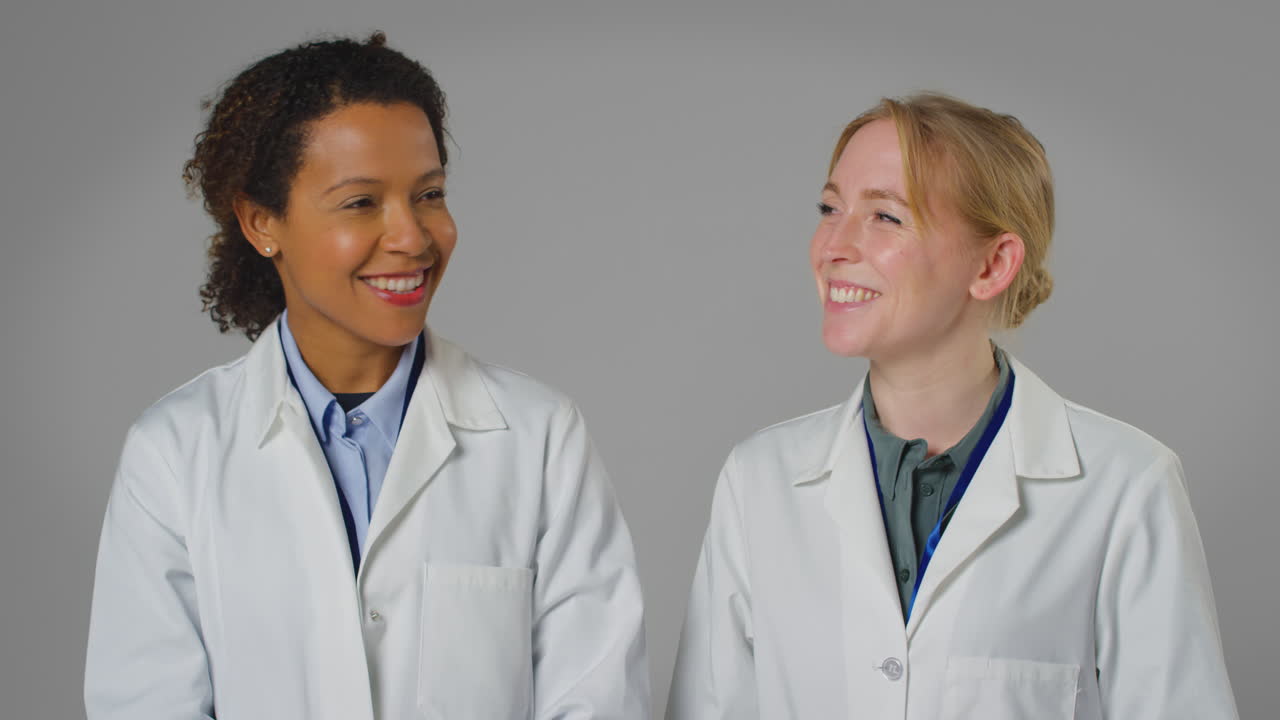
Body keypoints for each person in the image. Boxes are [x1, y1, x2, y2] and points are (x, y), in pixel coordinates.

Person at [84, 33, 649, 720]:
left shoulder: (539, 437)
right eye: (360, 203)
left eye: (430, 194)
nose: (411, 236)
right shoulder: (175, 452)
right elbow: (146, 703)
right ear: (263, 222)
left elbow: (595, 697)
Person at [666, 92, 1237, 719]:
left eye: (885, 217)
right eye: (830, 208)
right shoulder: (759, 483)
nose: (833, 245)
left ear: (993, 264)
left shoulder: (1126, 487)